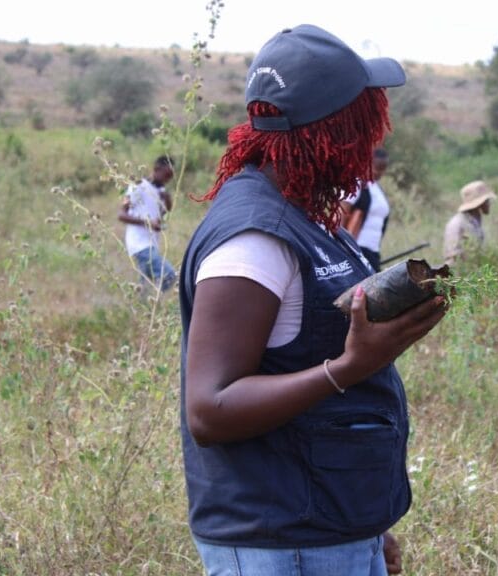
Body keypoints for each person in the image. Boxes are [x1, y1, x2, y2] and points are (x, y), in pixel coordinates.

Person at [178, 24, 447, 576]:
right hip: (283, 546)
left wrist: (369, 531)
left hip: (325, 532)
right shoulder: (255, 237)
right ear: (336, 131)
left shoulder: (305, 214)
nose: (373, 142)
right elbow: (210, 408)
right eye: (365, 122)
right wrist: (350, 366)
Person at [117, 155, 177, 294]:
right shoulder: (138, 186)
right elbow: (122, 215)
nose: (167, 180)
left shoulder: (160, 192)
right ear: (157, 169)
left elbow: (163, 215)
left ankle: (147, 310)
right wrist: (148, 223)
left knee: (145, 286)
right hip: (139, 244)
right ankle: (153, 303)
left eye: (170, 177)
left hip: (150, 244)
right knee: (169, 276)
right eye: (166, 175)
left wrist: (167, 201)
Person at [341, 148, 391, 271]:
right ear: (368, 163)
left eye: (382, 169)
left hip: (372, 252)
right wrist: (341, 245)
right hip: (356, 249)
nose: (379, 172)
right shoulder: (356, 184)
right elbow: (341, 211)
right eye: (377, 167)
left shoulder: (377, 189)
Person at [443, 180, 496, 266]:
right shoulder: (458, 223)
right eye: (487, 201)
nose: (489, 204)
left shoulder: (474, 220)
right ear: (480, 203)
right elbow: (454, 256)